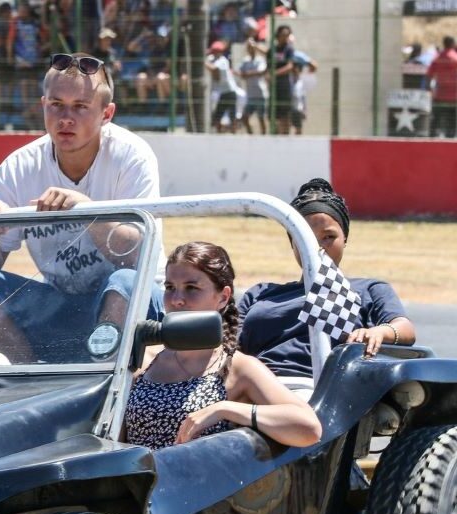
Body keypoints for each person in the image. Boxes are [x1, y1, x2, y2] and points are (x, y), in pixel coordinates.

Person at [0, 51, 164, 364]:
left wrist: (86, 211)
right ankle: (24, 393)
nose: (65, 118)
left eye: (80, 107)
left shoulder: (132, 157)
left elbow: (138, 257)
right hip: (64, 306)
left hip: (137, 304)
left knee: (123, 284)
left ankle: (105, 395)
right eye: (56, 105)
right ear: (43, 105)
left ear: (106, 114)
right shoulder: (18, 168)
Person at [124, 241, 322, 451]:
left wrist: (225, 409)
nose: (177, 300)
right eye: (170, 287)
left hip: (200, 480)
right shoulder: (144, 359)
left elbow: (309, 428)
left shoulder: (238, 367)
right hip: (136, 480)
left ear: (223, 297)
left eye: (191, 288)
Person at [238, 178, 417, 391]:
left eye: (328, 237)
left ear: (345, 239)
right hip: (253, 386)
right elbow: (226, 345)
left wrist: (379, 332)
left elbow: (404, 329)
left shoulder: (367, 289)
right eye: (306, 239)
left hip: (327, 390)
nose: (318, 248)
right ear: (292, 242)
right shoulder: (261, 294)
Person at [205, 40, 242, 133]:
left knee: (230, 116)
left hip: (229, 92)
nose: (213, 53)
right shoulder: (213, 59)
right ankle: (220, 132)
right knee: (218, 116)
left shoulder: (223, 61)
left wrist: (203, 62)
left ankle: (233, 132)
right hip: (223, 92)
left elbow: (213, 68)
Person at [427, 36, 457, 139]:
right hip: (454, 95)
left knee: (436, 117)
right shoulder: (455, 58)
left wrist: (428, 90)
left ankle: (432, 137)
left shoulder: (437, 58)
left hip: (440, 94)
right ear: (453, 44)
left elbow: (429, 74)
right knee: (452, 119)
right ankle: (451, 138)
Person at [237, 37, 267, 134]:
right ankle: (251, 136)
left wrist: (248, 74)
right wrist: (247, 74)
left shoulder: (260, 60)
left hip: (260, 94)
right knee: (244, 117)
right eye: (249, 46)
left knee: (261, 118)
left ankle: (264, 138)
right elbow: (241, 73)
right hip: (250, 95)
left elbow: (261, 72)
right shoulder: (245, 61)